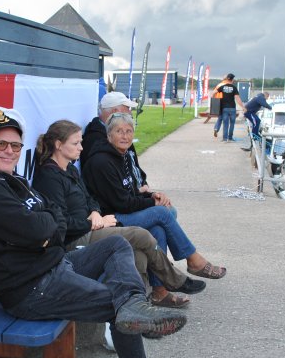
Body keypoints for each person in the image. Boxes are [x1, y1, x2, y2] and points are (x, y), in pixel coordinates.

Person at [0, 106, 190, 358]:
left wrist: (46, 227)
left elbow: (52, 219)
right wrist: (46, 227)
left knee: (117, 245)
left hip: (54, 266)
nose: (9, 151)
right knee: (117, 307)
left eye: (15, 145)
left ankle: (134, 302)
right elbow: (43, 226)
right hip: (31, 289)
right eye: (0, 144)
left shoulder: (13, 180)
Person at [32, 119, 206, 302]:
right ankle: (176, 280)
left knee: (141, 251)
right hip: (76, 238)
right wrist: (93, 223)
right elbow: (61, 224)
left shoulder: (69, 169)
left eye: (81, 142)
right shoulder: (49, 177)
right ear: (58, 145)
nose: (81, 148)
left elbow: (90, 198)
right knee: (142, 234)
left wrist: (95, 212)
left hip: (93, 226)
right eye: (76, 143)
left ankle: (139, 303)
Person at [82, 112, 227, 285]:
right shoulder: (101, 162)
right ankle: (193, 260)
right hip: (110, 218)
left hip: (122, 210)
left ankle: (160, 290)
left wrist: (151, 195)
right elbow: (123, 203)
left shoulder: (122, 155)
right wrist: (152, 202)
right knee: (163, 213)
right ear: (109, 135)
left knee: (160, 226)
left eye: (129, 131)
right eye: (119, 131)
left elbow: (130, 192)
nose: (125, 136)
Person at [213, 73, 244, 142]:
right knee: (232, 124)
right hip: (232, 108)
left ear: (227, 79)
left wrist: (214, 101)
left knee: (225, 124)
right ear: (232, 80)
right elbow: (237, 98)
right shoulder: (234, 88)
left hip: (224, 108)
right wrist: (243, 107)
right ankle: (230, 138)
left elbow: (213, 93)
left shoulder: (222, 87)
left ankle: (225, 139)